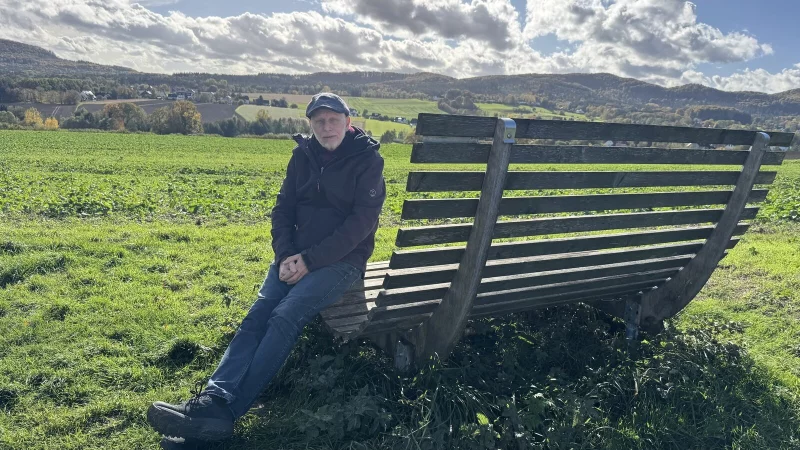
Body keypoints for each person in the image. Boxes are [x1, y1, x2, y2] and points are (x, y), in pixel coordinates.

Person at [146, 93, 386, 444]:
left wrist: (309, 260)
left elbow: (360, 224)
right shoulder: (301, 155)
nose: (326, 126)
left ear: (348, 122)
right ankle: (214, 398)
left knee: (284, 316)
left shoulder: (367, 159)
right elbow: (282, 210)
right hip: (293, 258)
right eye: (318, 120)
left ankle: (223, 416)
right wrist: (286, 254)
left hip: (341, 262)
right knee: (257, 315)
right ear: (310, 124)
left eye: (333, 119)